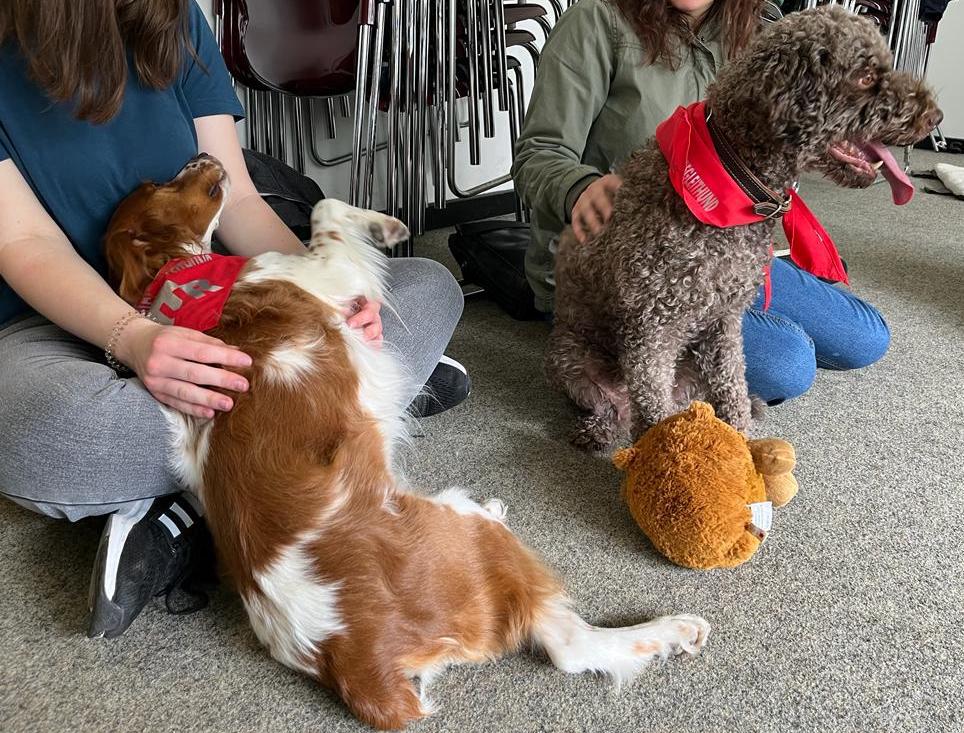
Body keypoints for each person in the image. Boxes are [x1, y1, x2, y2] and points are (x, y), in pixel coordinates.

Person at [0, 0, 469, 638]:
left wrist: (321, 287)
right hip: (52, 326)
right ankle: (316, 418)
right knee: (46, 436)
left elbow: (240, 198)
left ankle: (192, 492)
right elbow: (27, 245)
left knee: (427, 290)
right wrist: (134, 339)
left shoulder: (174, 18)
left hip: (223, 297)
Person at [511, 0, 890, 404]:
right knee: (788, 361)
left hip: (725, 249)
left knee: (865, 337)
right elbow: (539, 155)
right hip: (623, 269)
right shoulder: (596, 20)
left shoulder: (762, 26)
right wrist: (588, 191)